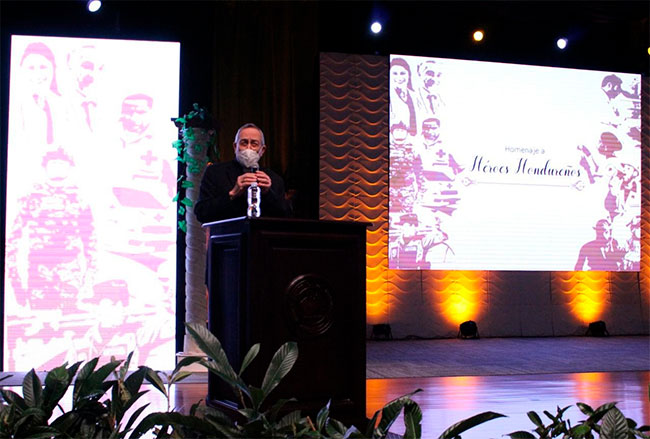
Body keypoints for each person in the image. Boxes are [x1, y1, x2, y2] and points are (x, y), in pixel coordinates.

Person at [194, 123, 291, 222]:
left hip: (261, 231)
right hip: (228, 230)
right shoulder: (215, 172)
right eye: (244, 143)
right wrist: (232, 194)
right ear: (235, 147)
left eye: (254, 144)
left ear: (262, 150)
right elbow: (201, 213)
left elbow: (285, 216)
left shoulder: (274, 179)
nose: (248, 148)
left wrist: (268, 193)